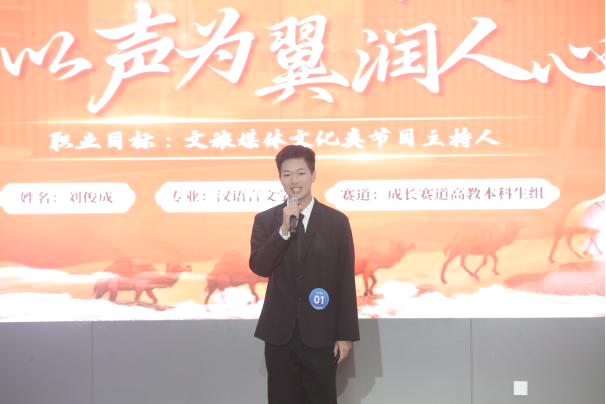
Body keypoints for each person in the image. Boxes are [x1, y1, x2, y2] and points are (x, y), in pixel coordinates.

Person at [249, 144, 360, 404]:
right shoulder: (266, 220)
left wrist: (345, 334)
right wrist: (282, 231)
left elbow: (344, 280)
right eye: (286, 174)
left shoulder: (336, 222)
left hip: (321, 333)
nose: (294, 181)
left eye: (300, 173)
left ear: (313, 175)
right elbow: (260, 266)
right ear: (280, 178)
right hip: (280, 334)